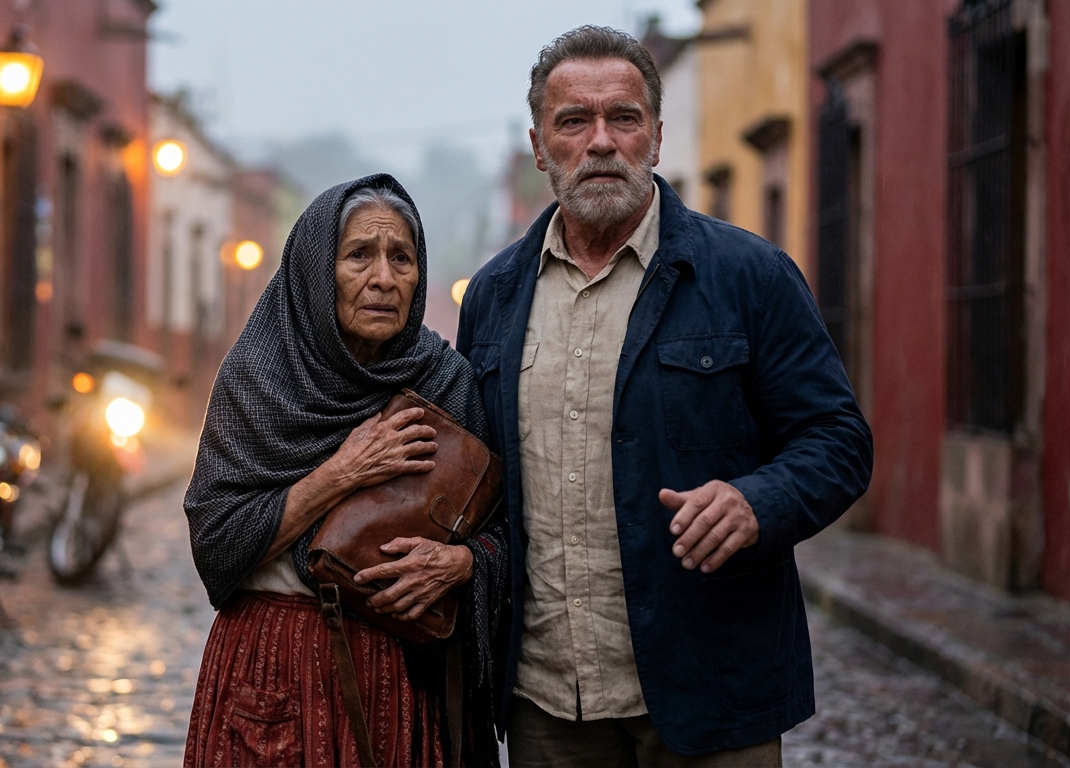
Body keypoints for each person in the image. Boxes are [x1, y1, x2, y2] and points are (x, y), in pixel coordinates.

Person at [456, 26, 873, 767]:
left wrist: (758, 501)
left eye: (623, 117)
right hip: (548, 702)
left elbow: (838, 441)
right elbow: (480, 483)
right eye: (573, 121)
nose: (601, 142)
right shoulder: (493, 295)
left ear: (655, 134)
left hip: (712, 691)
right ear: (538, 143)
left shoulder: (750, 276)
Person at [182, 174, 507, 767]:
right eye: (359, 255)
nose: (383, 278)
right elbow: (217, 544)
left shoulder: (445, 383)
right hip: (270, 664)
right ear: (315, 270)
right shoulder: (259, 378)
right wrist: (344, 471)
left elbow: (507, 529)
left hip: (402, 677)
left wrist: (462, 563)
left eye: (401, 258)